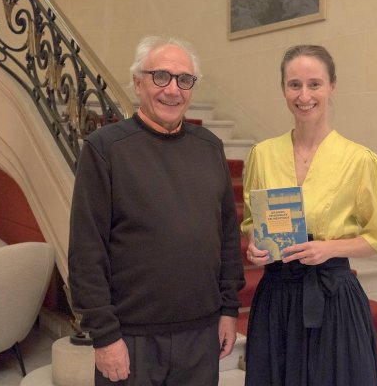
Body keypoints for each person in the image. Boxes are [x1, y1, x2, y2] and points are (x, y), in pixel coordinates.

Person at [68, 35, 245, 386]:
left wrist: (228, 309)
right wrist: (104, 336)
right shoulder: (105, 148)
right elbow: (87, 250)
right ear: (138, 83)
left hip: (200, 335)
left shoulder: (209, 147)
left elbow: (227, 234)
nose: (173, 90)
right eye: (160, 76)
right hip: (131, 338)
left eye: (184, 79)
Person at [241, 44, 377, 385]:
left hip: (331, 297)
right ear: (283, 89)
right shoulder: (262, 154)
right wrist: (254, 244)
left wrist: (329, 248)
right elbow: (252, 221)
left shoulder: (360, 160)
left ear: (332, 86)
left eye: (315, 84)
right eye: (294, 85)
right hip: (276, 297)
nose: (304, 95)